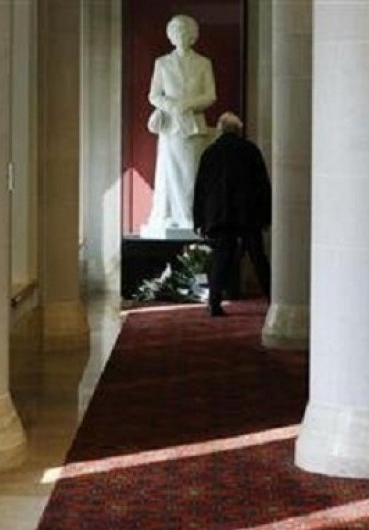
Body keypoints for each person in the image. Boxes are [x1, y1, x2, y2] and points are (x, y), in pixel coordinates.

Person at [143, 14, 216, 236]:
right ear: (170, 36)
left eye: (185, 32)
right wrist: (173, 106)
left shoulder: (203, 63)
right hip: (172, 127)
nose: (180, 36)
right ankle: (172, 216)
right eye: (176, 32)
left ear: (193, 36)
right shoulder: (162, 63)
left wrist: (188, 104)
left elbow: (210, 95)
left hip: (193, 126)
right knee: (170, 173)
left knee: (190, 173)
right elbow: (154, 95)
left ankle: (191, 217)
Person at [193, 112, 272, 316]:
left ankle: (214, 303)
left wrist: (199, 219)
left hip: (221, 216)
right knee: (258, 258)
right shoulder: (250, 150)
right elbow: (262, 185)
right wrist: (266, 215)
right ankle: (274, 299)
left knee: (221, 258)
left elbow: (201, 189)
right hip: (248, 215)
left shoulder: (210, 152)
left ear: (220, 130)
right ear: (239, 130)